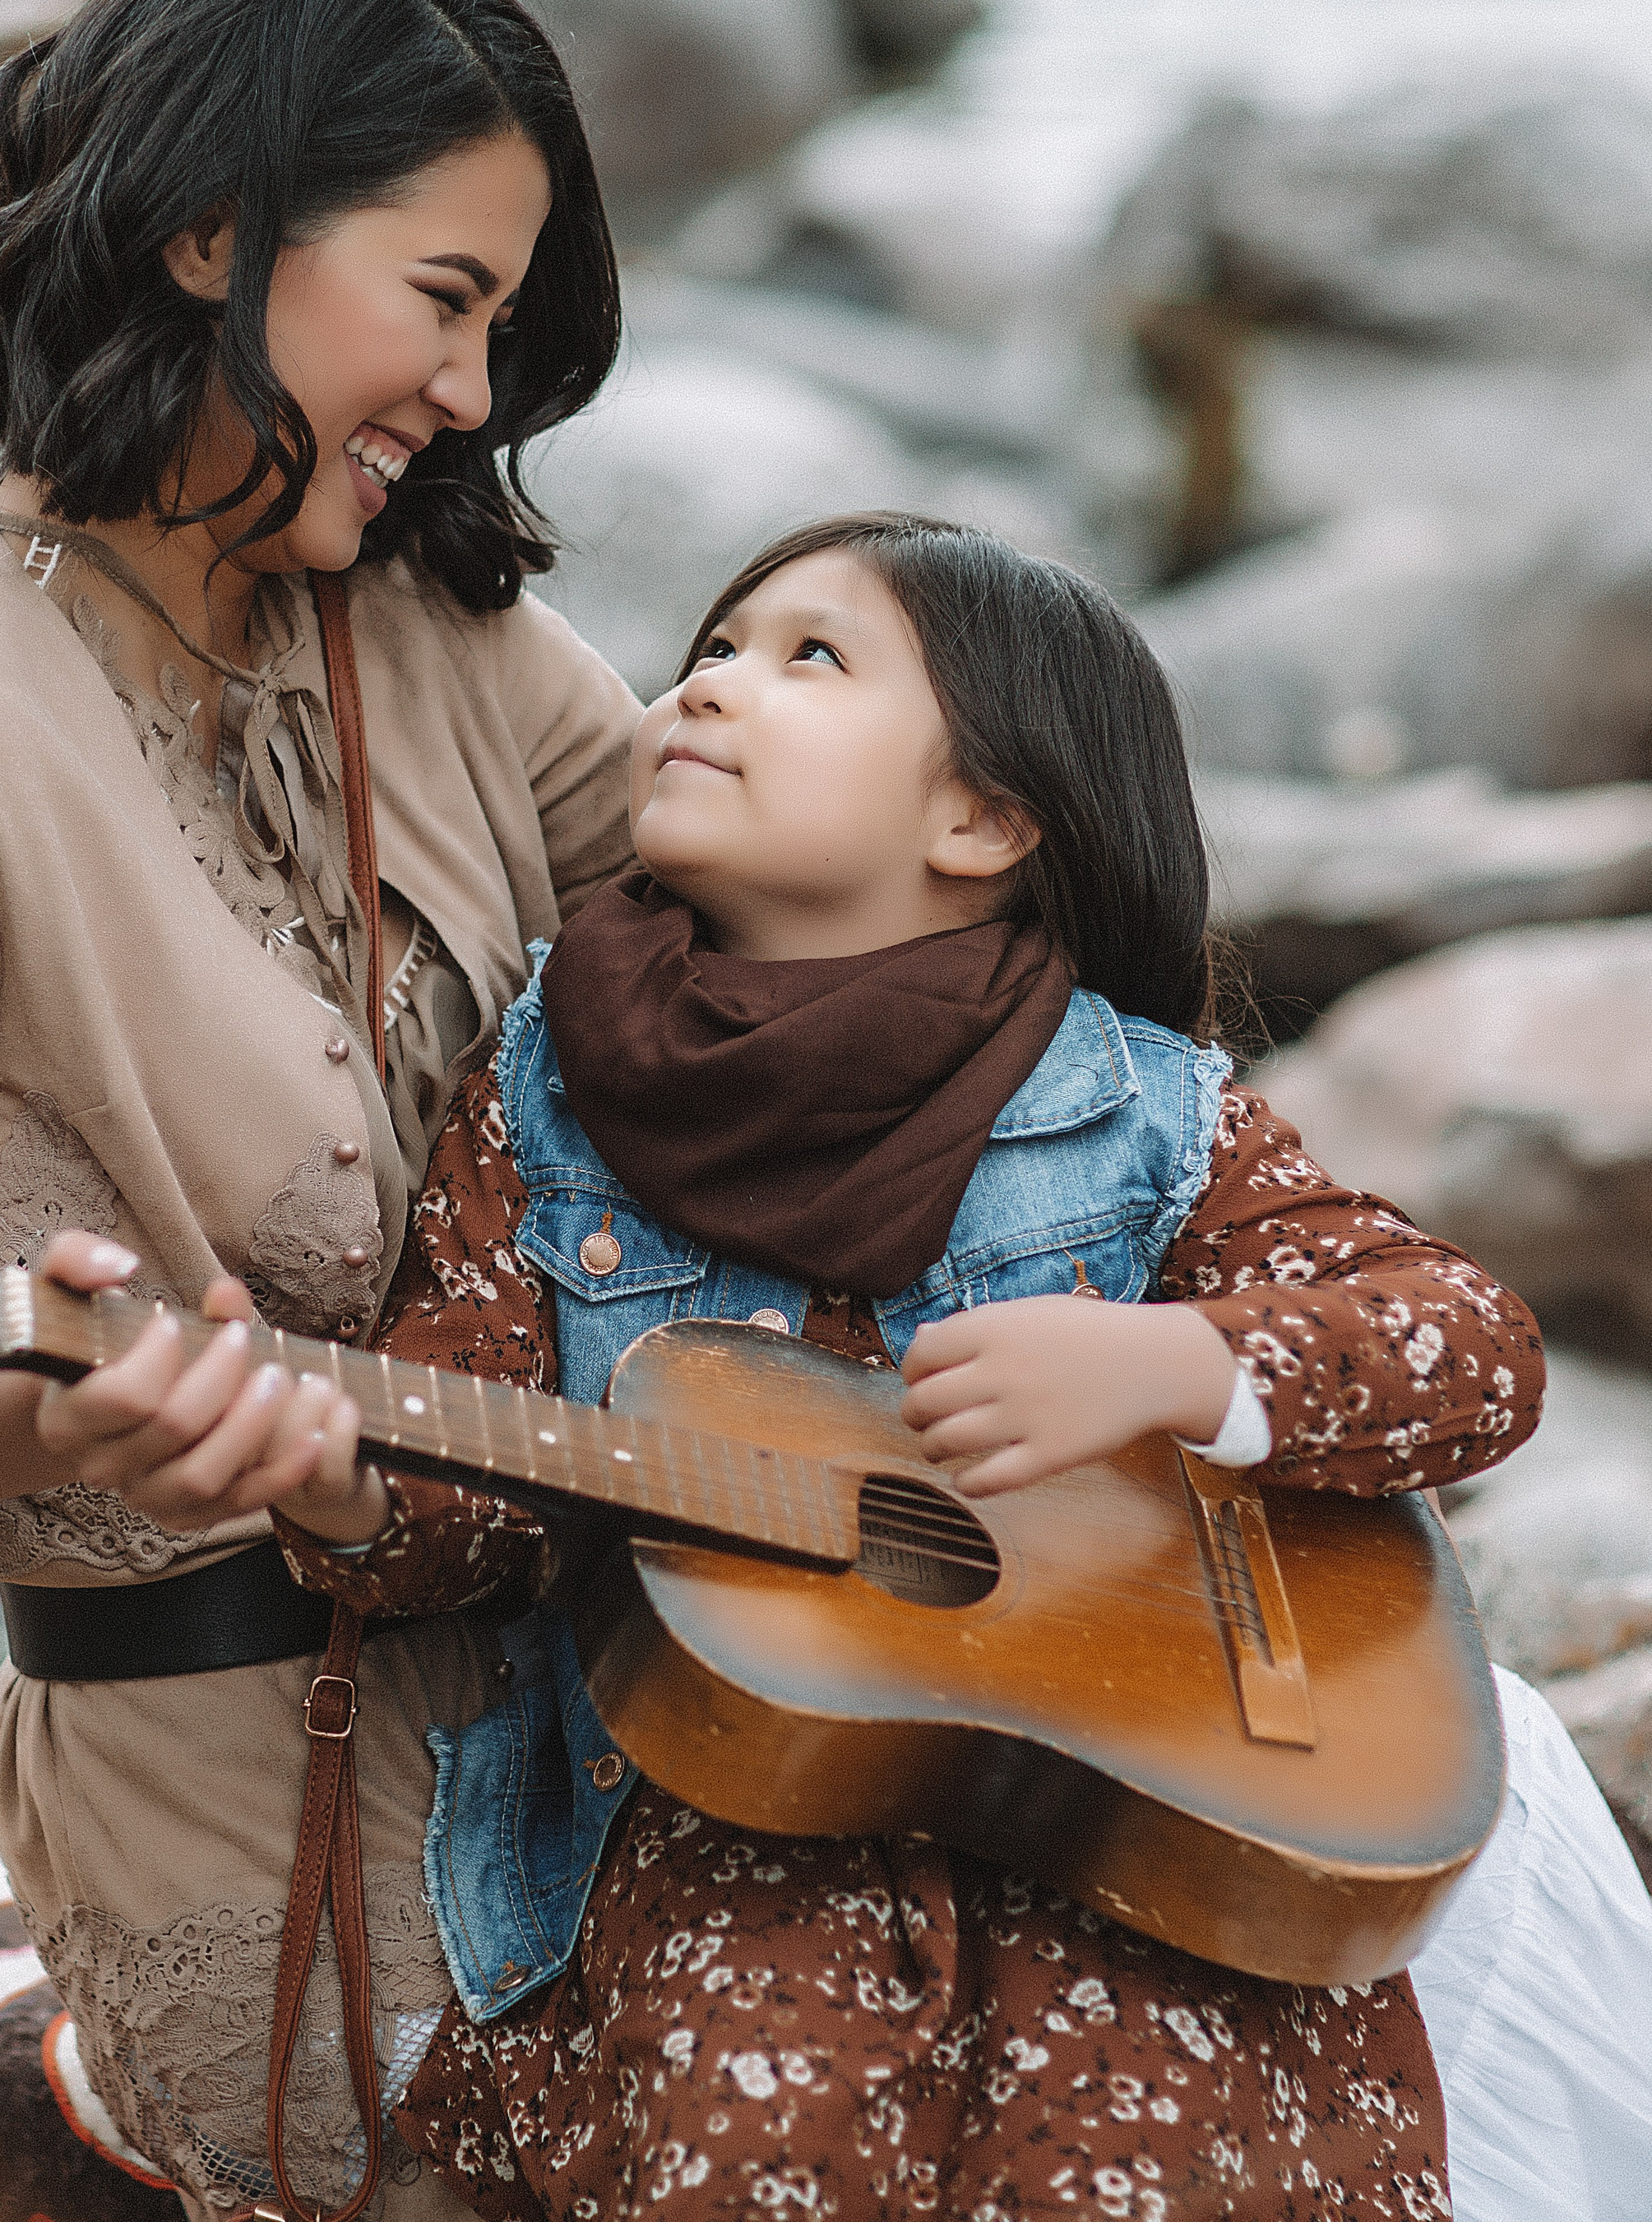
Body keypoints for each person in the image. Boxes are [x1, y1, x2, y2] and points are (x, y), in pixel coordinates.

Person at [0, 3, 644, 2215]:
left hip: (632, 1697)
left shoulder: (443, 632)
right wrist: (48, 1427)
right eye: (445, 297)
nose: (473, 392)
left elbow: (797, 973)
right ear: (210, 233)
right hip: (242, 1796)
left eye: (499, 322)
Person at [247, 514, 1562, 2218]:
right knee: (750, 2145)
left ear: (981, 821)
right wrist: (329, 1476)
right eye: (713, 645)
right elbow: (462, 1500)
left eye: (809, 656)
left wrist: (1172, 1361)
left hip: (1138, 1835)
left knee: (1136, 2155)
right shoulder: (545, 1090)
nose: (708, 683)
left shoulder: (1136, 1105)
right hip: (727, 1844)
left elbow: (1469, 1344)